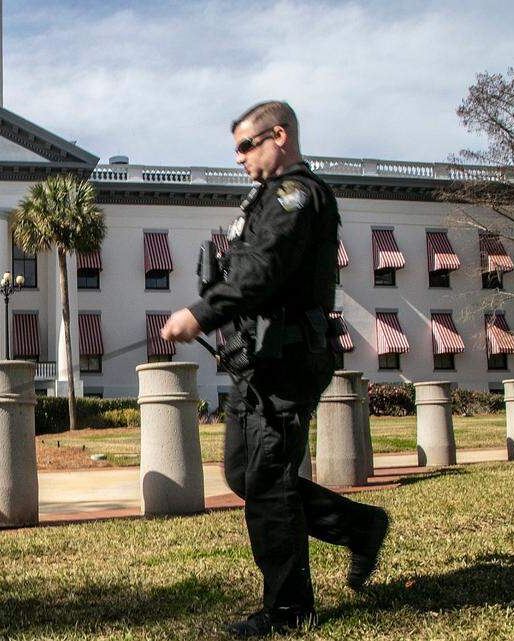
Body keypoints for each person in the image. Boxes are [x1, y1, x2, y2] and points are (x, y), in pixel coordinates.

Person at [161, 101, 390, 637]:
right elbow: (244, 267)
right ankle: (360, 526)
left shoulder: (296, 196)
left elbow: (262, 271)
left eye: (246, 145)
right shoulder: (263, 199)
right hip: (255, 359)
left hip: (287, 356)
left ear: (278, 136)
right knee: (245, 475)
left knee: (267, 479)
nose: (239, 157)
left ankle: (288, 611)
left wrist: (200, 313)